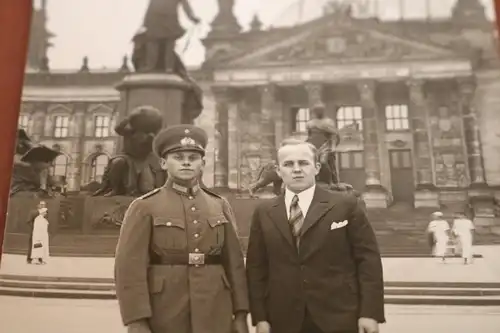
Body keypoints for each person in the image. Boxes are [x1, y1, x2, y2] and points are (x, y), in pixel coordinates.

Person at [114, 124, 249, 333]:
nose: (186, 162)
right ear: (163, 163)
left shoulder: (219, 204)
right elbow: (129, 268)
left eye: (193, 157)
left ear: (202, 163)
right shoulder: (145, 206)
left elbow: (235, 264)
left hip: (215, 308)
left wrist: (241, 314)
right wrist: (136, 320)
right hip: (166, 310)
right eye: (178, 157)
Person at [246, 139, 385, 333]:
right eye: (288, 164)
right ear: (278, 171)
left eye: (303, 163)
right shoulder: (263, 212)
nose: (296, 169)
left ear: (317, 168)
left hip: (339, 317)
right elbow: (256, 268)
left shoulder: (345, 205)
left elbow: (368, 261)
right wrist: (260, 318)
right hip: (282, 319)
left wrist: (369, 313)